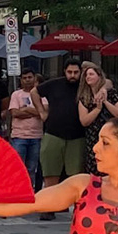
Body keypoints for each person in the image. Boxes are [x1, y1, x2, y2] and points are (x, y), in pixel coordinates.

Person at [38, 59, 87, 194]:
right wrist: (41, 112)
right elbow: (34, 92)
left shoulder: (85, 85)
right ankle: (50, 203)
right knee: (50, 173)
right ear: (64, 71)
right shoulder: (54, 84)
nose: (72, 75)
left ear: (81, 72)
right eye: (69, 72)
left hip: (77, 135)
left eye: (76, 72)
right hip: (53, 133)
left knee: (75, 176)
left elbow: (103, 81)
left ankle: (74, 203)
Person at [7, 69, 46, 190]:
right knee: (17, 167)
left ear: (34, 78)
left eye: (30, 77)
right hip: (19, 136)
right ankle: (16, 190)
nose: (27, 80)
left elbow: (44, 113)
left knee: (32, 168)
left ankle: (28, 191)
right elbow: (15, 113)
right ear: (21, 80)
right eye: (24, 78)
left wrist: (26, 109)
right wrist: (35, 111)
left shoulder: (41, 94)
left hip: (36, 136)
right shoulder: (16, 95)